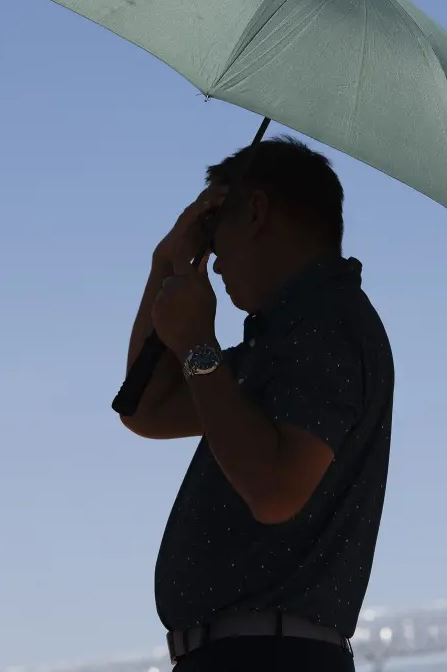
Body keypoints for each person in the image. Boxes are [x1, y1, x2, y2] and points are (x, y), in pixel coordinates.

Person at [122, 137, 393, 672]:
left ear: (255, 210)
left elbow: (275, 489)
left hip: (269, 656)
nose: (214, 257)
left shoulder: (328, 323)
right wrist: (166, 267)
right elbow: (146, 409)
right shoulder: (279, 338)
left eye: (214, 225)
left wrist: (199, 345)